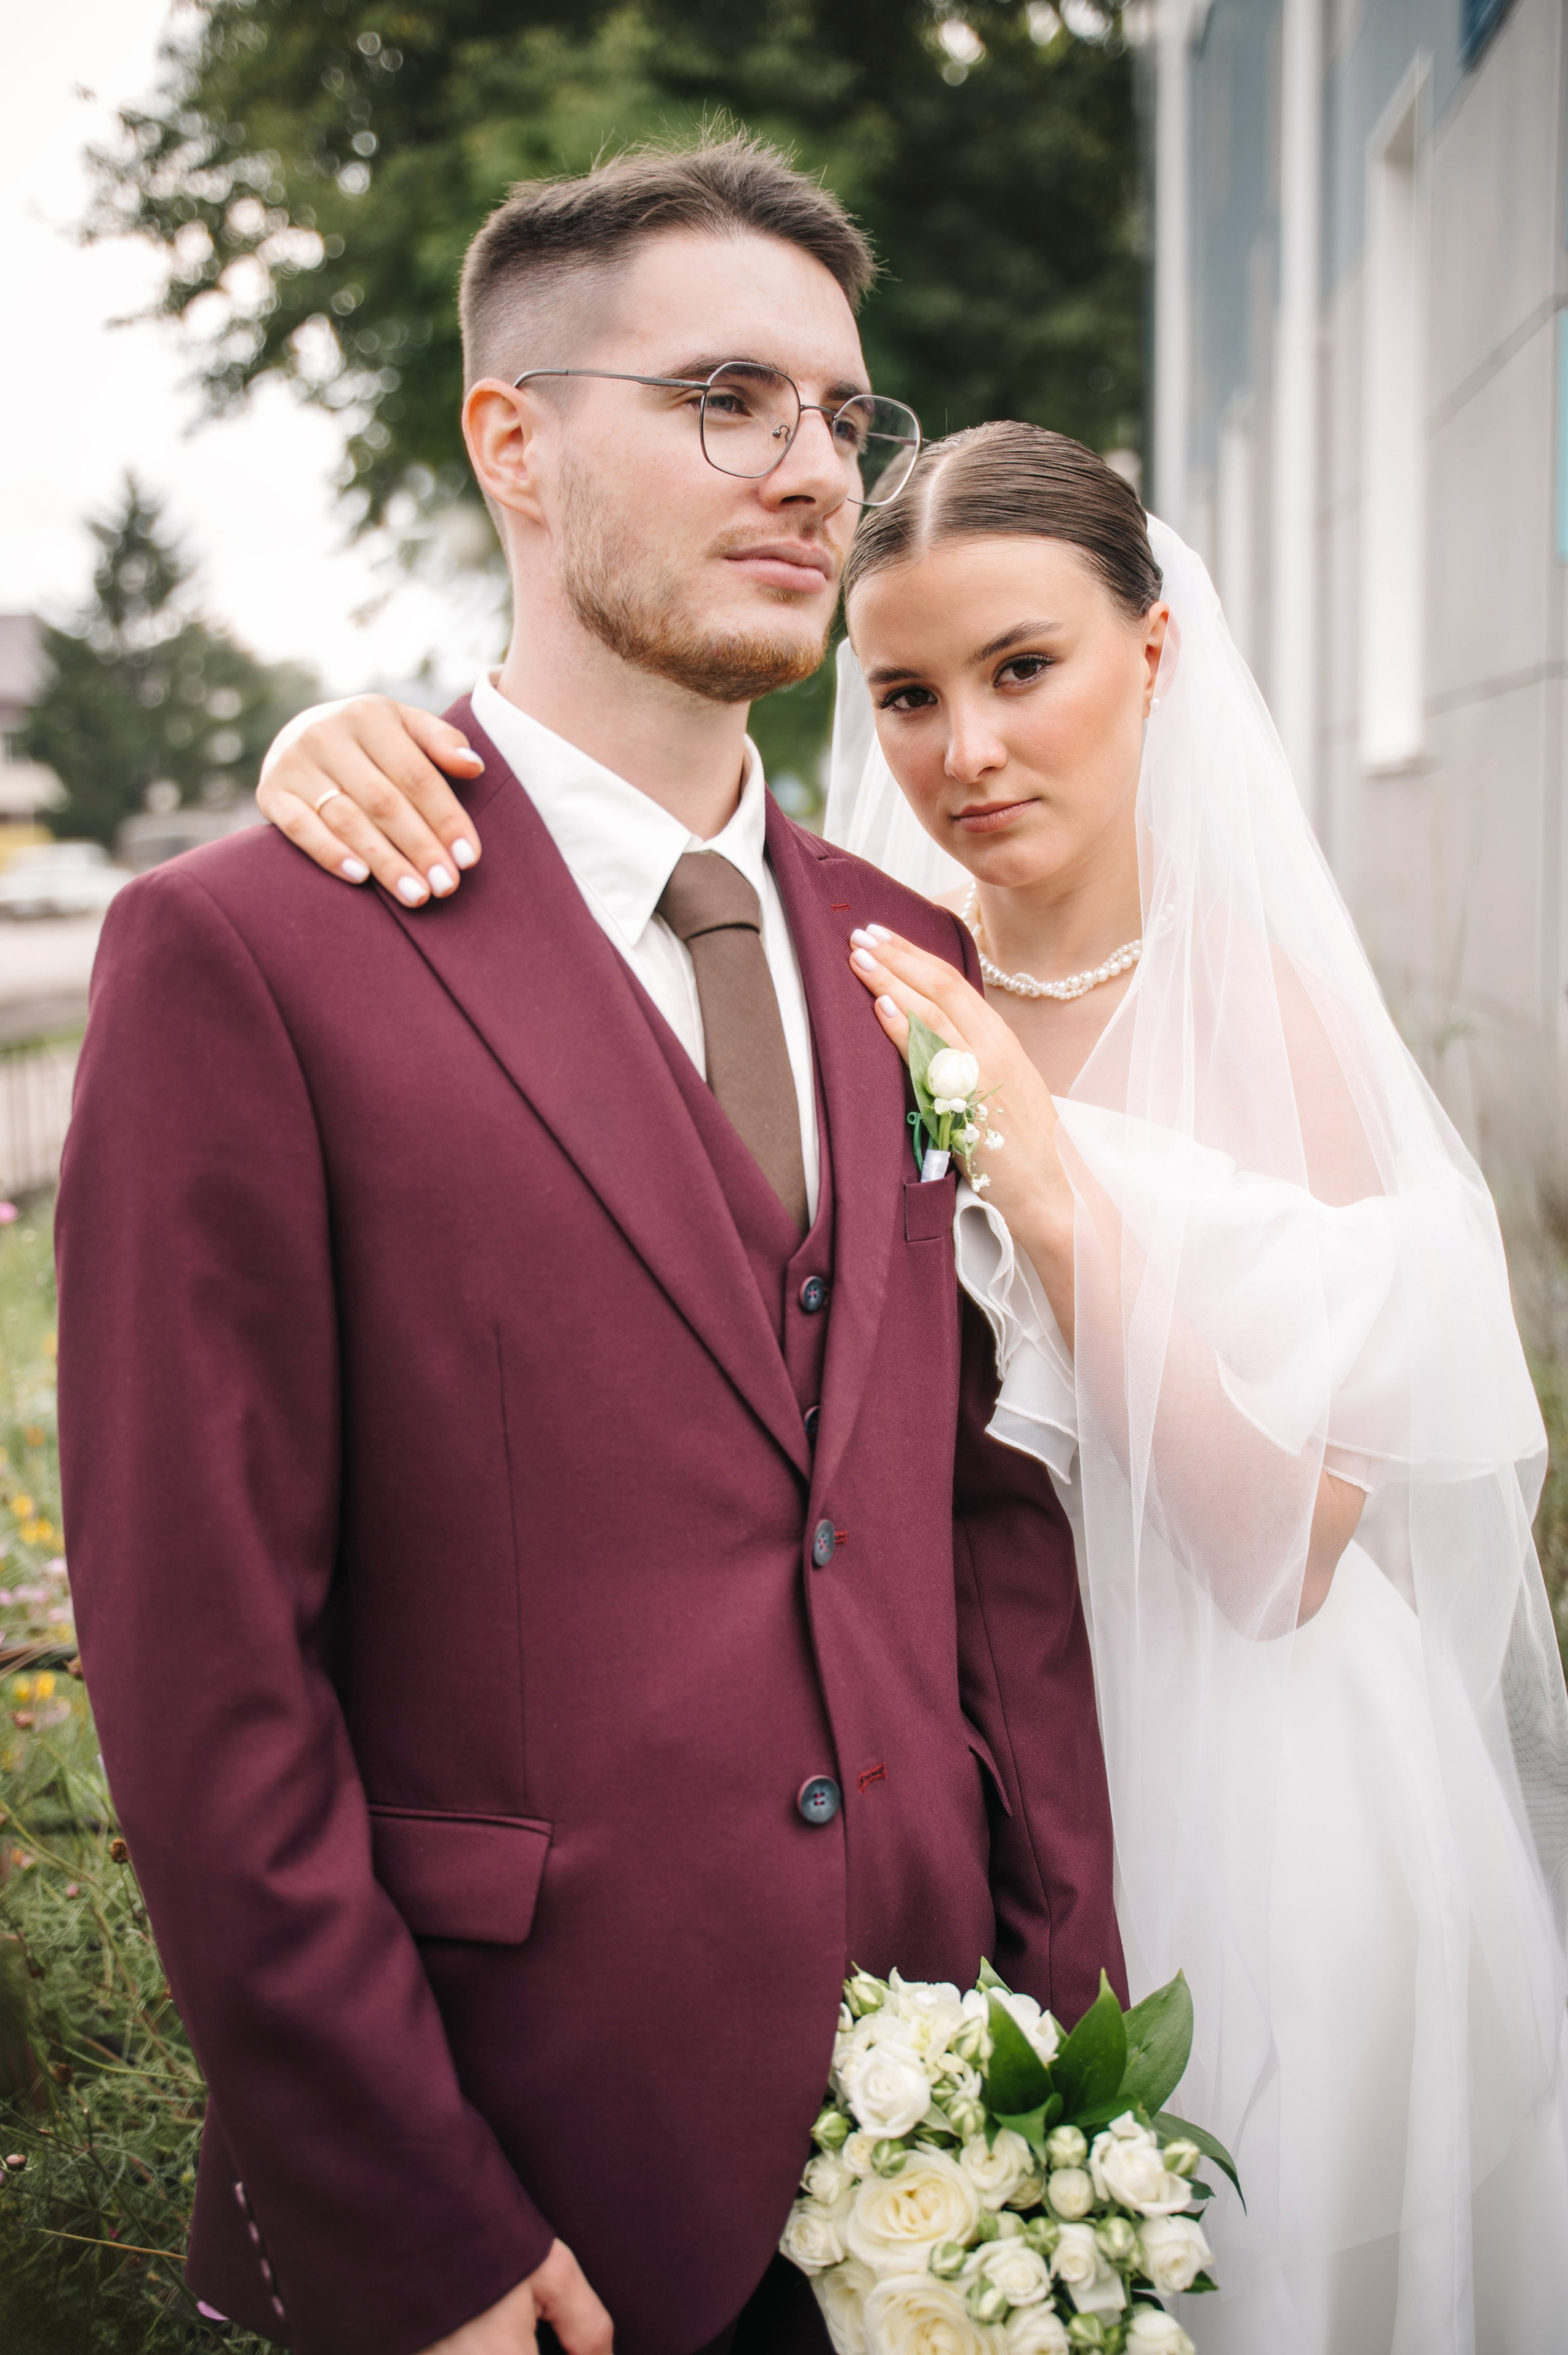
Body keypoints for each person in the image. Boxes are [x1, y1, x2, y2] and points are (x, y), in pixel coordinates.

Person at [265, 422, 1568, 2354]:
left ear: (1155, 650)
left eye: (1023, 669)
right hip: (937, 1779)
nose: (966, 751)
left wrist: (1046, 1190)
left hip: (1253, 1788)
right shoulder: (850, 963)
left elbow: (1286, 1549)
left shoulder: (1277, 1020)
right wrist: (326, 743)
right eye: (909, 693)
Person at [55, 146, 1124, 2355]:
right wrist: (397, 2215)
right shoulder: (248, 952)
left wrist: (1058, 2035)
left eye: (844, 414)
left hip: (944, 2151)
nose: (812, 469)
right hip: (513, 2174)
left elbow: (979, 1525)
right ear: (513, 440)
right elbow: (206, 1656)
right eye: (730, 396)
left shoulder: (911, 954)